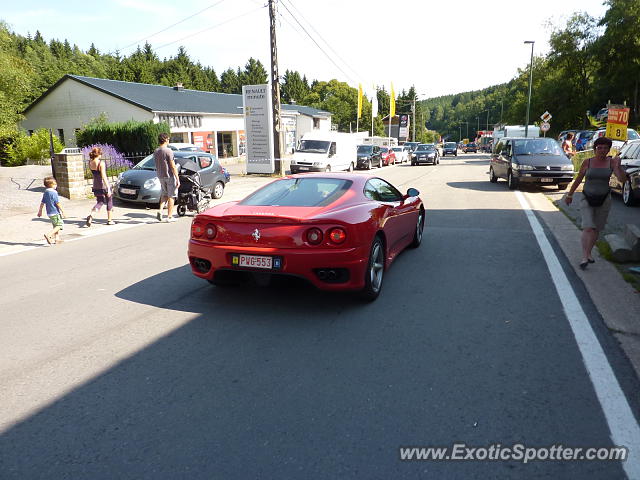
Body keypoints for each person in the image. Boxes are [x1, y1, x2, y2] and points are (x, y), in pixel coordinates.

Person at [564, 136, 628, 269]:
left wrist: (618, 166)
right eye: (599, 148)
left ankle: (588, 253)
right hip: (587, 197)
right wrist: (570, 194)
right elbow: (578, 179)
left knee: (596, 228)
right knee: (588, 227)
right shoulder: (587, 162)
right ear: (595, 149)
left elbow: (621, 179)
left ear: (608, 150)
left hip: (604, 199)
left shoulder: (611, 163)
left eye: (605, 148)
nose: (602, 150)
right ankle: (585, 256)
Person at [154, 133, 180, 222]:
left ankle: (160, 211)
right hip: (169, 176)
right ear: (165, 139)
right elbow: (173, 166)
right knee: (171, 196)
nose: (169, 140)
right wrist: (177, 178)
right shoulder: (168, 151)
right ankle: (169, 216)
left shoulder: (156, 151)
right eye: (168, 139)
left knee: (164, 194)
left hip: (160, 176)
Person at [86, 147, 115, 226]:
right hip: (103, 185)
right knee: (109, 201)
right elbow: (104, 176)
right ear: (98, 154)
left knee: (100, 202)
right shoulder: (101, 163)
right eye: (101, 153)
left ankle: (91, 215)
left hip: (96, 185)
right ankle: (110, 220)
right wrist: (108, 188)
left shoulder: (90, 162)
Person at [37, 176, 66, 245]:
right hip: (55, 212)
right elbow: (57, 203)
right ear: (51, 185)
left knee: (55, 226)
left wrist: (40, 211)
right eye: (55, 184)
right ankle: (49, 235)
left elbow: (42, 203)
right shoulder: (54, 192)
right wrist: (63, 211)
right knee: (60, 225)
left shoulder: (46, 192)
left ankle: (57, 239)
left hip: (49, 213)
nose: (56, 185)